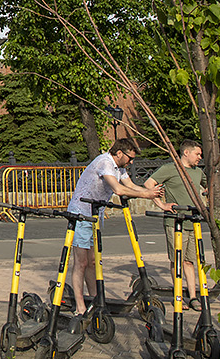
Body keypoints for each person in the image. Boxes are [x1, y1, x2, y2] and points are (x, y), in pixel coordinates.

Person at [65, 138, 163, 321]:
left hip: (95, 214)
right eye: (130, 158)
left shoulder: (120, 168)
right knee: (81, 262)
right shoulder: (105, 163)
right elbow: (118, 189)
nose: (131, 162)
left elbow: (132, 186)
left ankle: (95, 301)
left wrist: (158, 201)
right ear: (119, 153)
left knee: (93, 261)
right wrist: (145, 193)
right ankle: (79, 306)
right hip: (80, 213)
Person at [145, 139, 206, 303]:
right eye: (197, 154)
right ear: (186, 152)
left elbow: (209, 187)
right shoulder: (170, 169)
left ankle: (193, 297)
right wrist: (161, 204)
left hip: (193, 222)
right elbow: (149, 183)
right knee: (176, 259)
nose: (200, 157)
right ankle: (178, 295)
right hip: (175, 222)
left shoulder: (198, 172)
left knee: (190, 261)